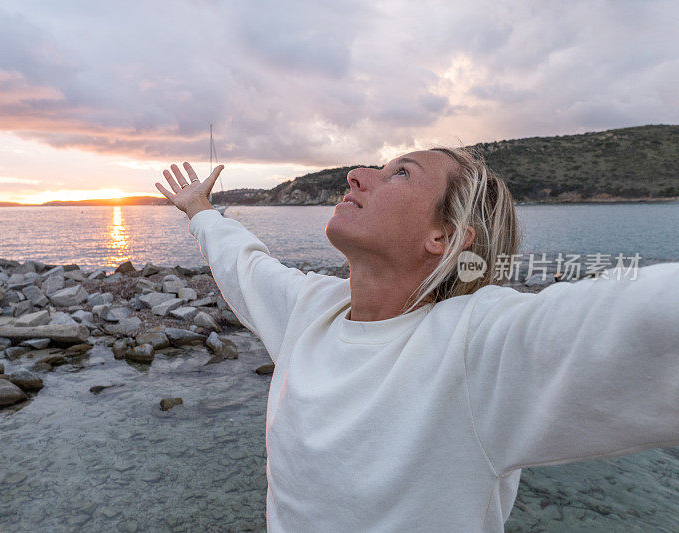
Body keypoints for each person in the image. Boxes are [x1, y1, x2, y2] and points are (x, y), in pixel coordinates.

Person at [154, 150, 679, 532]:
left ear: (444, 238)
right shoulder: (309, 307)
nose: (355, 176)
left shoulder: (477, 345)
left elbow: (637, 318)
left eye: (399, 174)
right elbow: (245, 264)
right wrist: (200, 211)